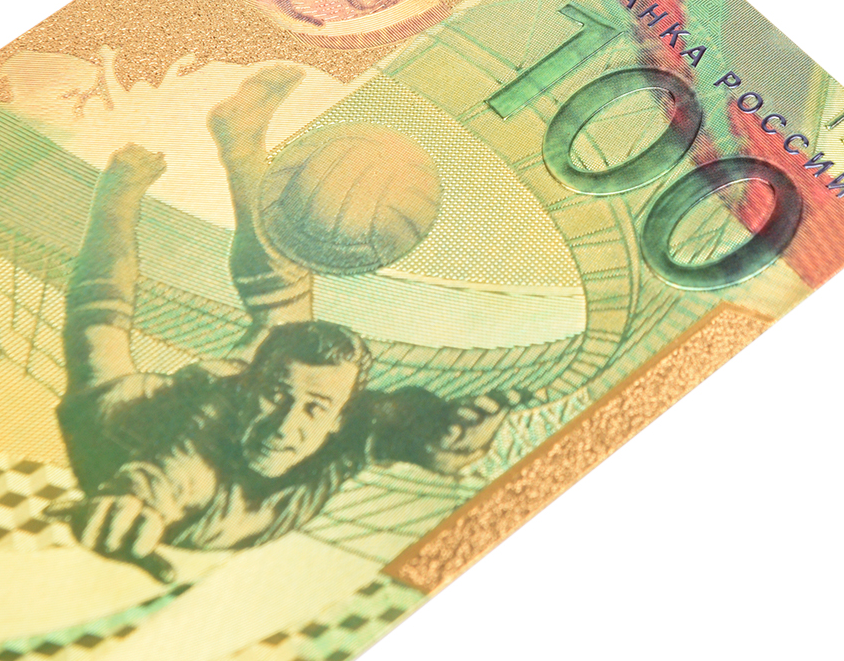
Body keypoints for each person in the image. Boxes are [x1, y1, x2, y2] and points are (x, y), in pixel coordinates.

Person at [54, 65, 522, 577]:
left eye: (315, 408)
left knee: (95, 332)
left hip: (117, 434)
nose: (286, 425)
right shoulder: (210, 421)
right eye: (276, 396)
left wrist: (447, 438)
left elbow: (410, 431)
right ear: (245, 386)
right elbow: (177, 467)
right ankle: (200, 159)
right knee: (117, 326)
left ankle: (167, 170)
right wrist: (138, 498)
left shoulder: (344, 430)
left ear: (338, 418)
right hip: (130, 423)